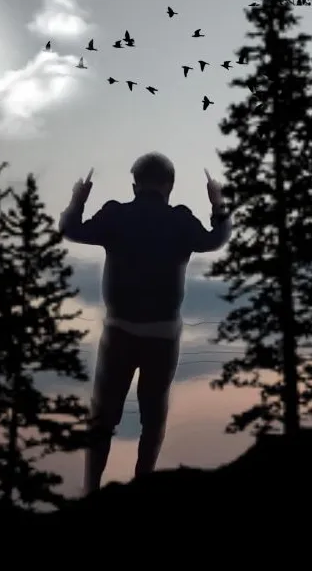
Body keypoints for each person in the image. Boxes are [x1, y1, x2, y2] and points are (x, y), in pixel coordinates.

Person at [58, 153, 232, 494]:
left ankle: (92, 490)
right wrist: (218, 203)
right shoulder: (180, 220)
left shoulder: (116, 214)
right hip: (163, 336)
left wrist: (77, 200)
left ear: (134, 185)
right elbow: (215, 239)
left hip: (119, 332)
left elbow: (71, 230)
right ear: (170, 185)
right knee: (152, 420)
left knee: (103, 419)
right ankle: (144, 489)